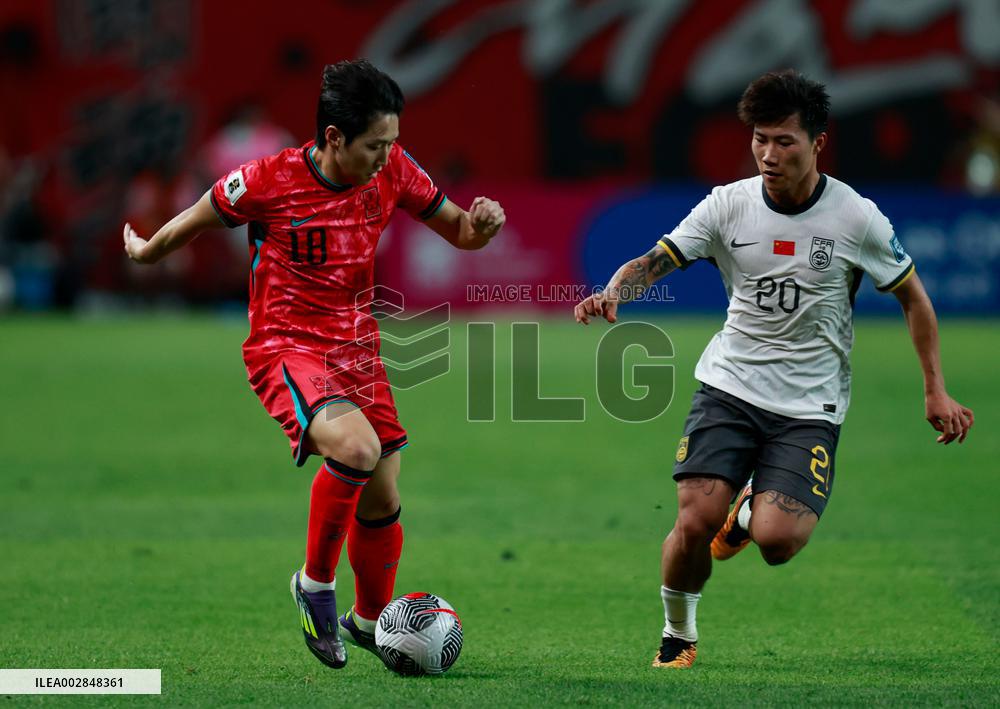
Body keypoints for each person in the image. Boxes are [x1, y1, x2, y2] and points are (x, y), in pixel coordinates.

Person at [573, 69, 973, 669]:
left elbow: (914, 297)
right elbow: (657, 259)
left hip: (809, 407)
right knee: (692, 521)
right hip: (729, 388)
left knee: (777, 543)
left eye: (784, 141)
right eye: (760, 139)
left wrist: (935, 390)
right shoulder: (728, 204)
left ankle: (753, 504)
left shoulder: (857, 219)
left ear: (818, 143)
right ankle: (678, 635)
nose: (768, 154)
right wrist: (615, 292)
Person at [123, 59, 505, 669]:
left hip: (358, 347)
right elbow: (197, 217)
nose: (387, 157)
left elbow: (459, 230)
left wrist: (480, 227)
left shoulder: (394, 169)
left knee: (382, 492)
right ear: (333, 138)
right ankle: (315, 585)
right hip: (286, 344)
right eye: (375, 145)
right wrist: (147, 252)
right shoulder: (268, 180)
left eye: (393, 143)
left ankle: (371, 621)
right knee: (356, 451)